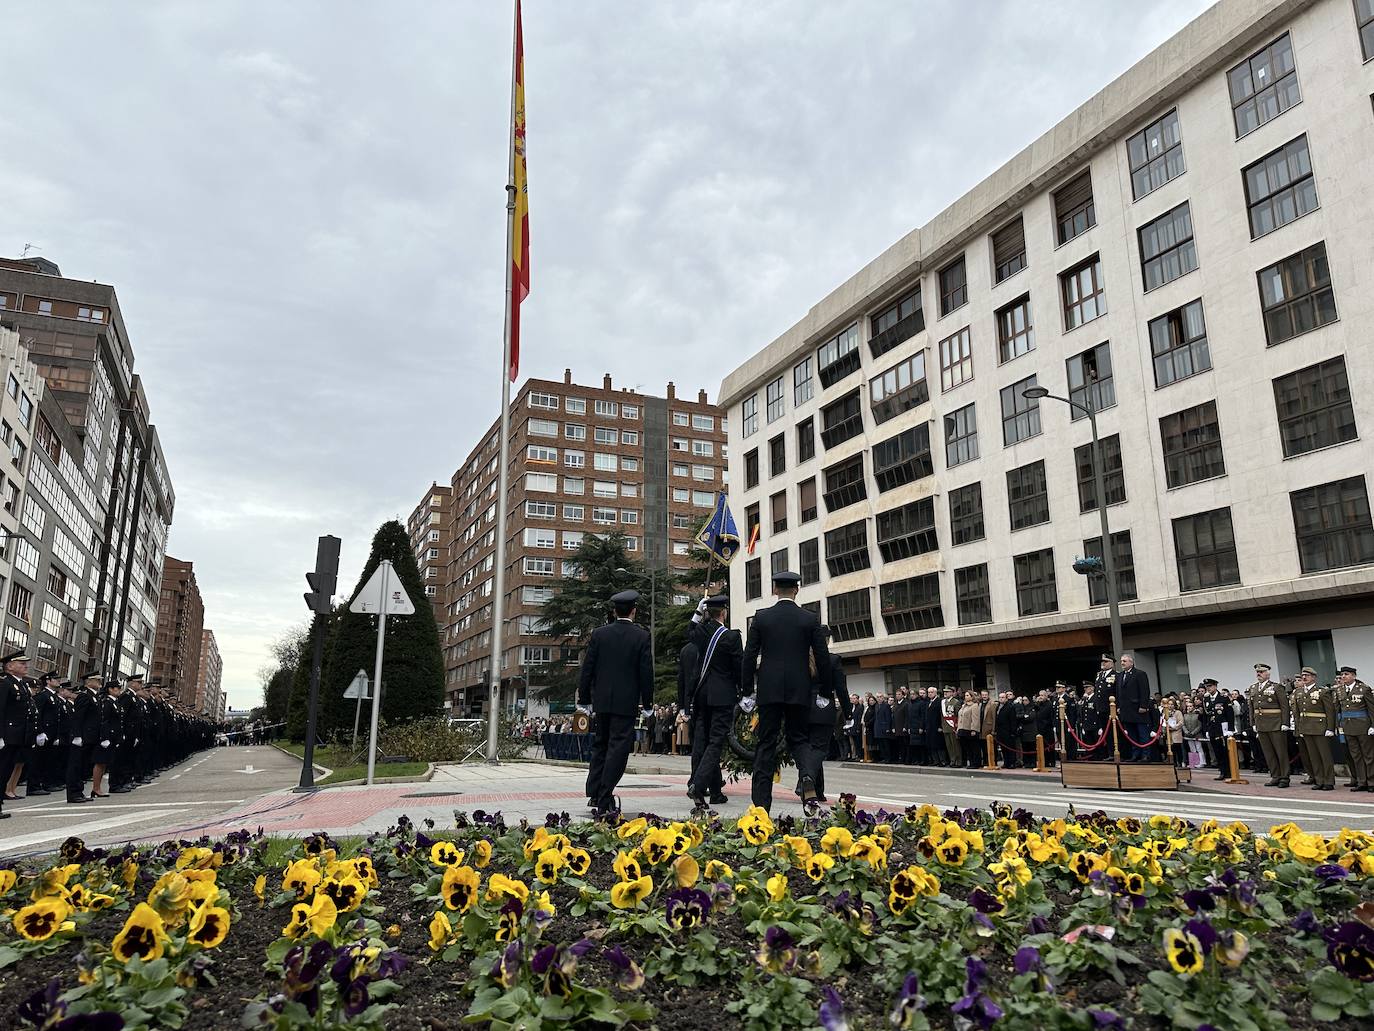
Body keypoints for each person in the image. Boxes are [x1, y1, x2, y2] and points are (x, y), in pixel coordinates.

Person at [741, 570, 830, 812]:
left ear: (774, 590)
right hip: (799, 689)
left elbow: (749, 655)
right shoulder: (809, 619)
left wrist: (747, 690)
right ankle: (808, 776)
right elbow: (822, 657)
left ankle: (761, 805)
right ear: (797, 590)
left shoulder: (762, 618)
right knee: (799, 739)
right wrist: (824, 691)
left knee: (766, 743)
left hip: (769, 689)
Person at [577, 589, 653, 813]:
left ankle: (594, 790)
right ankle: (604, 793)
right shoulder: (641, 636)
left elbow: (587, 668)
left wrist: (585, 698)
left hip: (602, 702)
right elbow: (646, 673)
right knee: (618, 749)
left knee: (601, 745)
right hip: (625, 703)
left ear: (614, 611)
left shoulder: (600, 634)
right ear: (634, 611)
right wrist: (648, 704)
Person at [686, 594, 741, 806]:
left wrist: (698, 613)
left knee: (702, 741)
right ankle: (698, 785)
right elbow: (738, 667)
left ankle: (712, 789)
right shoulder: (732, 637)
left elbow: (689, 632)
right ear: (724, 612)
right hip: (722, 695)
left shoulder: (700, 631)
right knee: (715, 742)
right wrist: (745, 691)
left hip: (702, 694)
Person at [803, 626, 850, 802]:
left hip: (802, 708)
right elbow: (841, 689)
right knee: (819, 749)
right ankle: (805, 781)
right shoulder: (832, 660)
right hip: (823, 709)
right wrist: (848, 713)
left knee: (808, 750)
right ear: (828, 640)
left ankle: (816, 790)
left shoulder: (802, 659)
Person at [1292, 666, 1336, 791]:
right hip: (1306, 728)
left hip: (1320, 727)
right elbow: (1298, 712)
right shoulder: (1299, 692)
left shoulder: (1322, 692)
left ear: (1314, 677)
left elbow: (1330, 711)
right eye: (1303, 676)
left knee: (1324, 756)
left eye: (1307, 675)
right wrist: (1299, 728)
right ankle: (1319, 779)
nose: (1304, 678)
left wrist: (1330, 728)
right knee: (1313, 756)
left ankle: (1328, 781)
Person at [1335, 665, 1372, 792]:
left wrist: (1373, 725)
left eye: (1347, 674)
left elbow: (1371, 709)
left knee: (1368, 755)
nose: (1344, 676)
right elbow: (1338, 710)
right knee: (1356, 756)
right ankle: (1362, 781)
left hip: (1363, 726)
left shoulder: (1364, 689)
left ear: (1354, 676)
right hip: (1348, 727)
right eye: (1342, 674)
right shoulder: (1339, 690)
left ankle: (1371, 781)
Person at [1116, 654, 1152, 762]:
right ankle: (1135, 754)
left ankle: (1146, 755)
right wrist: (1119, 707)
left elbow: (1144, 691)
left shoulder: (1140, 674)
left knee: (1142, 734)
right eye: (1121, 661)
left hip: (1137, 709)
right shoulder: (1120, 675)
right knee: (1131, 735)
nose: (1122, 663)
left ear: (1131, 662)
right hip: (1126, 710)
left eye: (1125, 661)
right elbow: (1118, 693)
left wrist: (1143, 706)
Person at [956, 690, 980, 768]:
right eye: (965, 695)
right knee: (967, 748)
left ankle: (975, 763)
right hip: (962, 729)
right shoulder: (963, 706)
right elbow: (960, 718)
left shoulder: (974, 706)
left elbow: (975, 718)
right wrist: (958, 729)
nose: (966, 697)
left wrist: (974, 729)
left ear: (972, 696)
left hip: (969, 729)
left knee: (973, 747)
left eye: (968, 695)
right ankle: (971, 762)